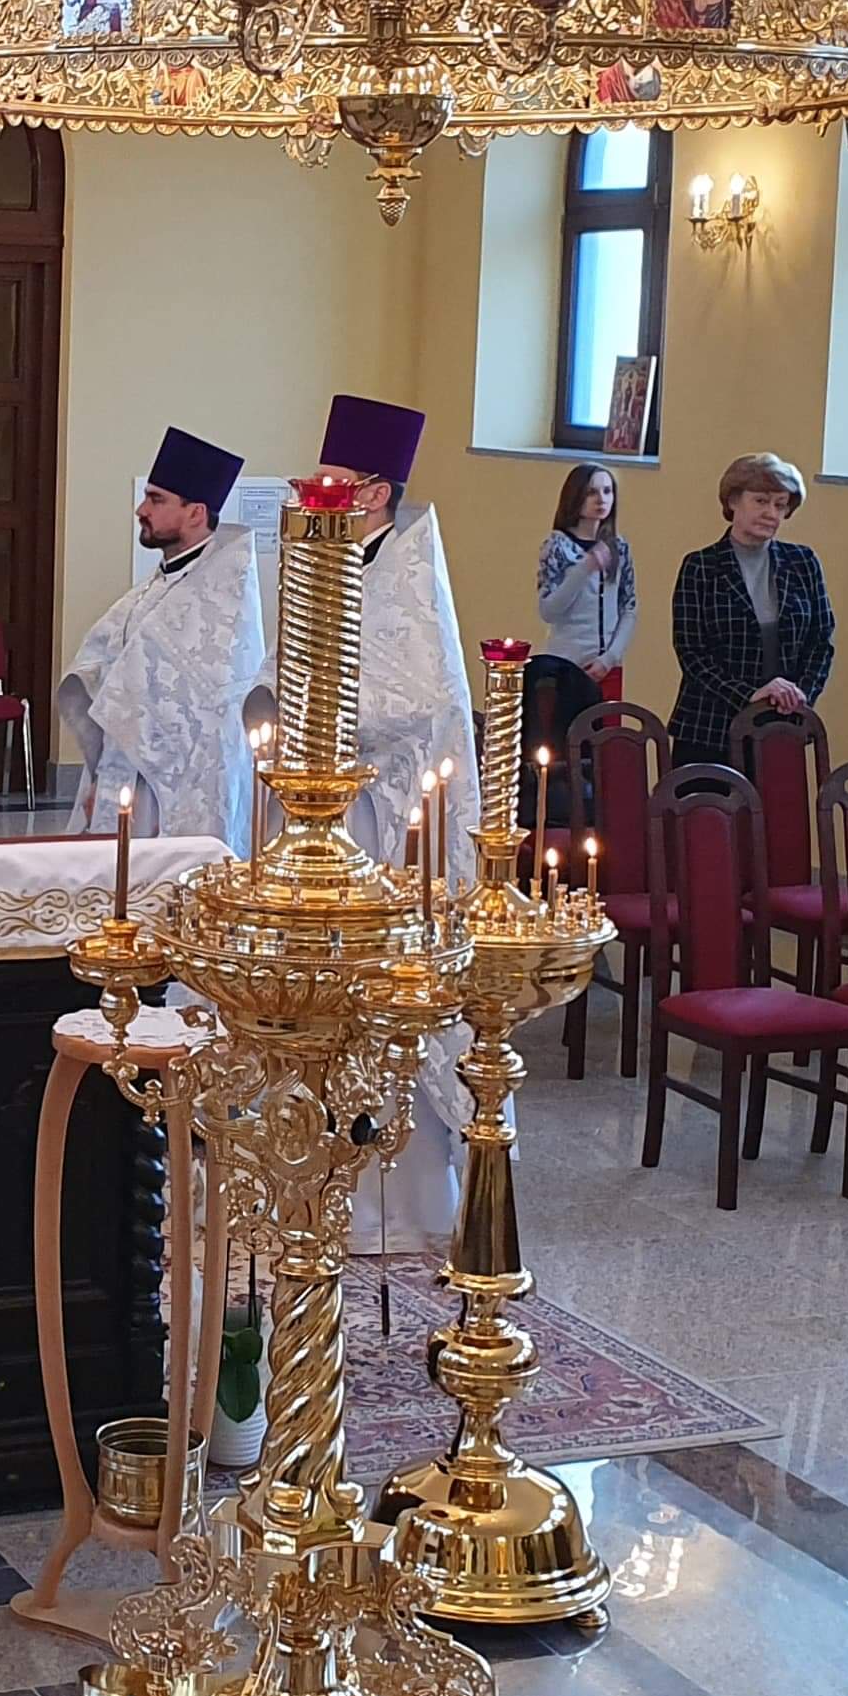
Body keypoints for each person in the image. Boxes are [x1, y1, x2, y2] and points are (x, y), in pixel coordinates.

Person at [317, 396, 478, 1259]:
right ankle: (332, 1176)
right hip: (344, 813)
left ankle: (401, 1209)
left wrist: (316, 707)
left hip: (399, 823)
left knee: (394, 999)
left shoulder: (407, 575)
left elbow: (408, 702)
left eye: (331, 481)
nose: (314, 495)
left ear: (375, 492)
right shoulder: (341, 563)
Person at [57, 427, 268, 854]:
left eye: (156, 500)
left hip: (176, 792)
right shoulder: (159, 584)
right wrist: (104, 777)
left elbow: (198, 712)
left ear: (196, 513)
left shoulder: (223, 599)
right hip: (129, 778)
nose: (141, 510)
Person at [668, 452, 835, 772]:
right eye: (760, 501)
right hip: (709, 729)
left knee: (778, 806)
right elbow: (692, 653)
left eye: (780, 505)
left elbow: (821, 641)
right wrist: (750, 695)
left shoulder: (803, 562)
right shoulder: (700, 566)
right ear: (733, 501)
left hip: (781, 725)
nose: (771, 513)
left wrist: (799, 696)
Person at [535, 463, 636, 694]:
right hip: (566, 666)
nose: (601, 499)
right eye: (592, 492)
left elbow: (629, 607)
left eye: (607, 491)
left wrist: (610, 658)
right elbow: (549, 611)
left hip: (608, 668)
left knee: (607, 718)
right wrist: (585, 568)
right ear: (575, 496)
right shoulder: (557, 547)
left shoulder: (618, 547)